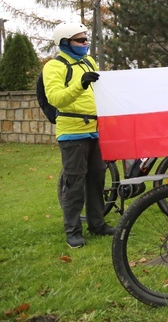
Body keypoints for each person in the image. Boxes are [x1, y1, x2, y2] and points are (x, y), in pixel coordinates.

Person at [44, 22, 114, 248]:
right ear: (65, 43)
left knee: (97, 179)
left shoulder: (88, 61)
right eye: (80, 40)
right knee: (74, 182)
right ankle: (73, 231)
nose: (86, 44)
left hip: (95, 130)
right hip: (72, 132)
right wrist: (80, 84)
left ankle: (97, 224)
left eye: (86, 40)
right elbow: (55, 99)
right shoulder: (54, 67)